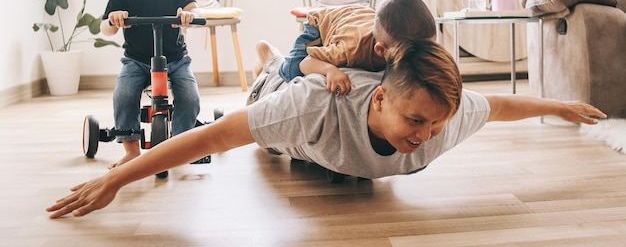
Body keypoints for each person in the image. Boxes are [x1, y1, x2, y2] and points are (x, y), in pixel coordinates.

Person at [47, 39, 606, 219]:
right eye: (416, 121)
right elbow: (213, 138)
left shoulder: (445, 117)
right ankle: (273, 56)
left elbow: (502, 105)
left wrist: (561, 108)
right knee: (273, 82)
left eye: (438, 124)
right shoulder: (309, 107)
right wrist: (122, 176)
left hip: (331, 146)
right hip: (292, 121)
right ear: (382, 96)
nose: (428, 134)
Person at [100, 0, 203, 169]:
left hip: (176, 59)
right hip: (137, 59)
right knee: (124, 94)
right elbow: (105, 27)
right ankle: (132, 149)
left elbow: (194, 9)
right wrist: (114, 20)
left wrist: (190, 16)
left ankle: (181, 145)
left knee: (189, 96)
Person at [272, 0, 436, 96]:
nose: (423, 58)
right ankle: (269, 55)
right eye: (414, 56)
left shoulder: (402, 42)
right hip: (324, 22)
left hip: (360, 16)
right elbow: (306, 63)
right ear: (380, 50)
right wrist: (330, 70)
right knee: (292, 71)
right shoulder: (349, 49)